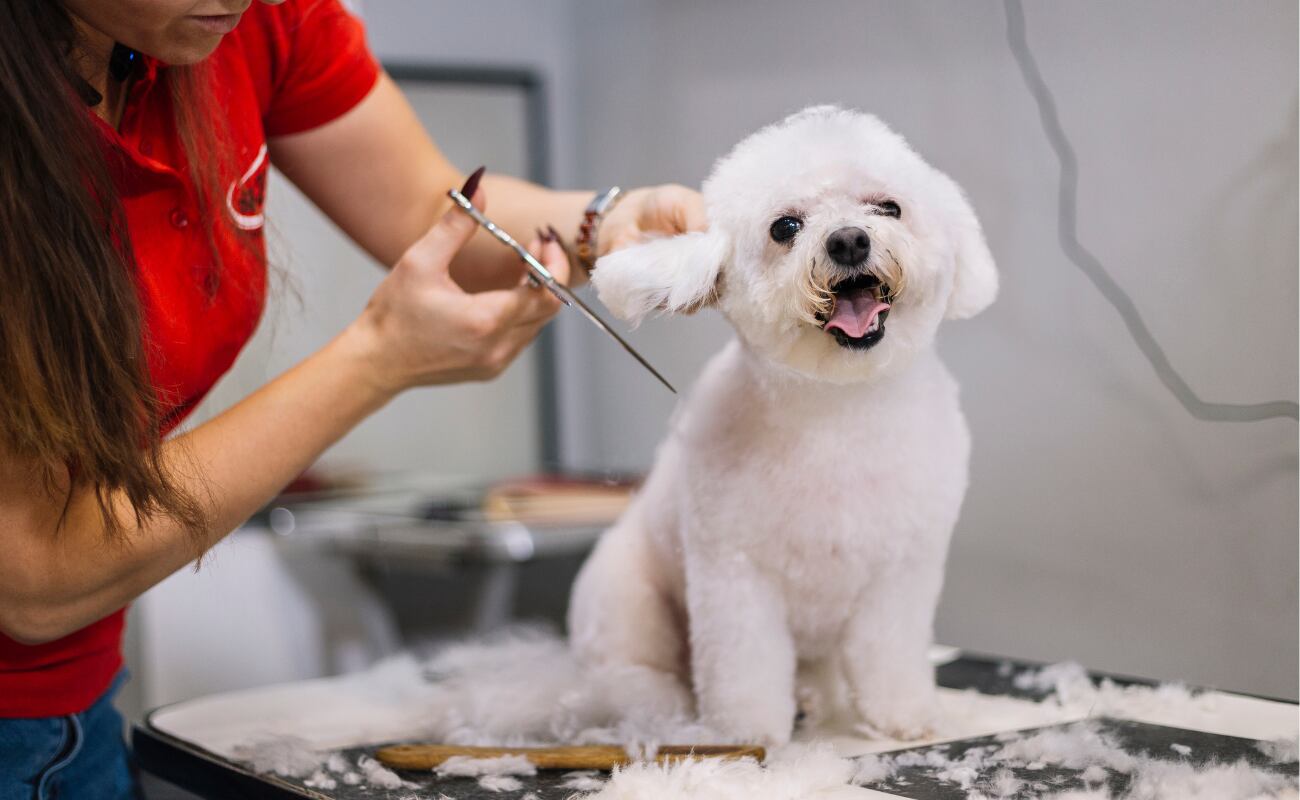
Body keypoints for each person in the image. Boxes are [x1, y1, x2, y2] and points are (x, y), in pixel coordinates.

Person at [0, 1, 705, 797]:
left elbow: (420, 208)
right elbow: (37, 574)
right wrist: (375, 362)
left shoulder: (255, 21)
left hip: (83, 701)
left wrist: (601, 224)